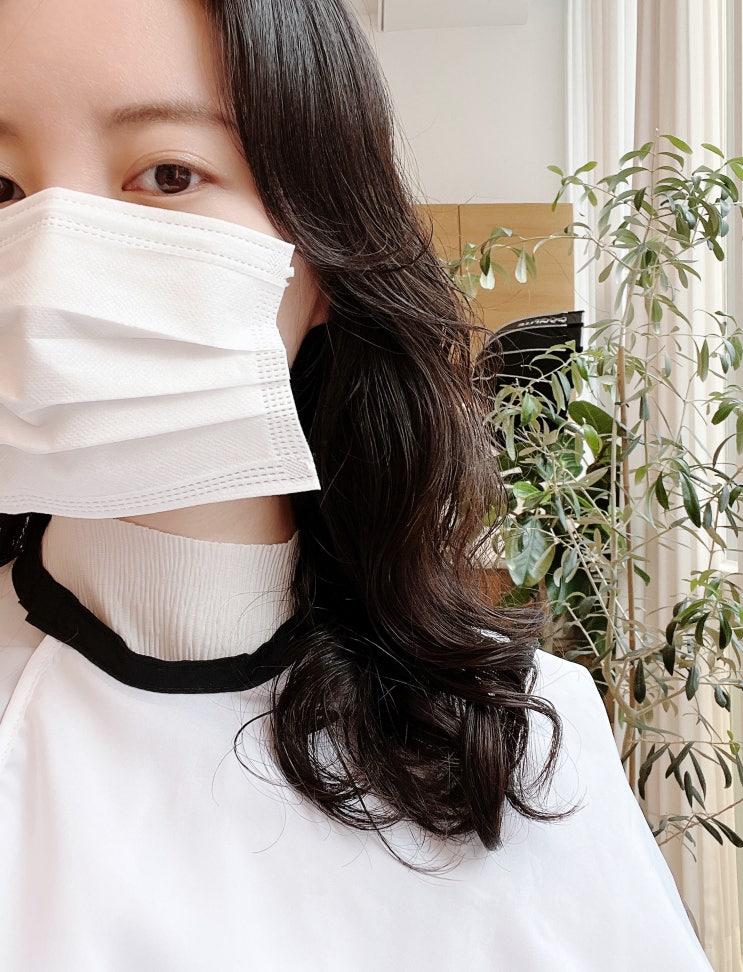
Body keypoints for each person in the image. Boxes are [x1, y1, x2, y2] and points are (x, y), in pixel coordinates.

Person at [0, 1, 713, 969]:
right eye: (2, 187)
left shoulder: (524, 739)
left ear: (324, 251)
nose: (53, 259)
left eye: (168, 174)